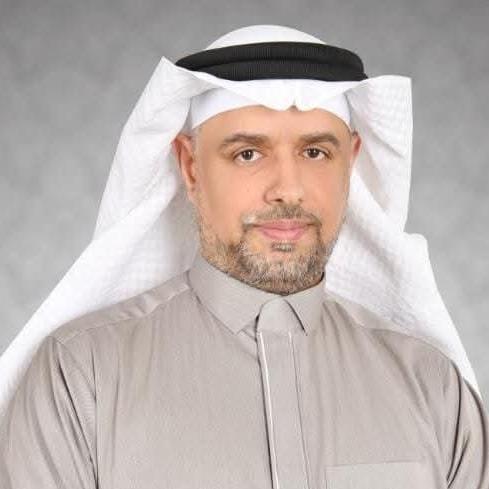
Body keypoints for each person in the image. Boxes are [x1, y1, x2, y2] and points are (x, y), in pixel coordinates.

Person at [0, 24, 487, 489]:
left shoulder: (432, 387)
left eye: (315, 152)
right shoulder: (80, 378)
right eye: (248, 154)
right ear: (191, 167)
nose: (288, 189)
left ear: (351, 161)